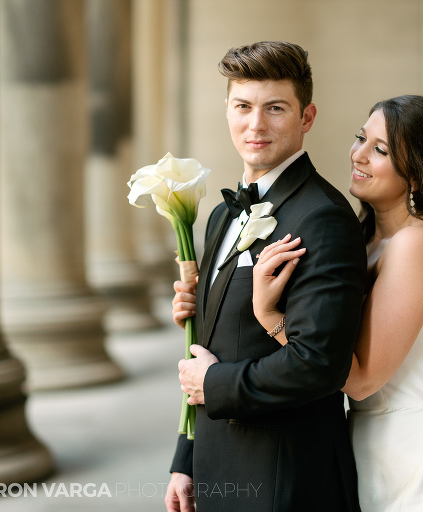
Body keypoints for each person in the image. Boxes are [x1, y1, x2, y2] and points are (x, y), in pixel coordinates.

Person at [252, 95, 423, 511]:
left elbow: (360, 380)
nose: (358, 155)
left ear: (419, 174)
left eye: (380, 150)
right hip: (373, 455)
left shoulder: (417, 245)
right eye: (361, 138)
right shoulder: (365, 242)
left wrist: (270, 317)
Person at [166, 41, 366, 512]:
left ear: (307, 117)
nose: (255, 125)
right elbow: (213, 346)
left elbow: (321, 364)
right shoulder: (219, 215)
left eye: (275, 108)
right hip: (219, 468)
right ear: (228, 111)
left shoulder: (323, 217)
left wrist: (213, 384)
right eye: (243, 106)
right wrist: (186, 459)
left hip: (282, 478)